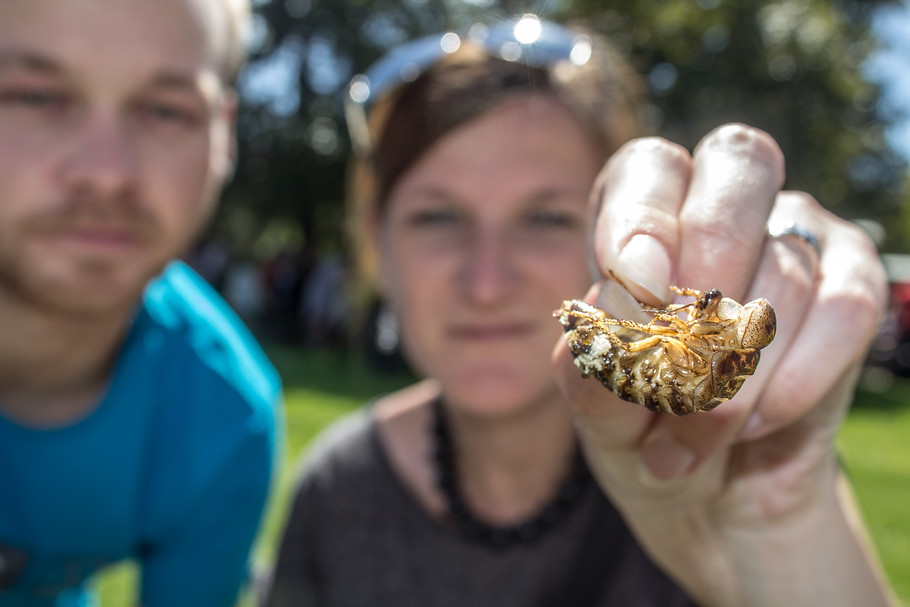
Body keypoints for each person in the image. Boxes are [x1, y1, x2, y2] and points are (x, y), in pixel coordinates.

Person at [267, 15, 897, 607]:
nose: (487, 281)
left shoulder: (709, 469)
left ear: (614, 233)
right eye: (439, 217)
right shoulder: (334, 492)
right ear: (378, 241)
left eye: (544, 218)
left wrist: (787, 527)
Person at [0, 1, 282, 606]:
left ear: (223, 137)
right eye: (35, 96)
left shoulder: (226, 419)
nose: (107, 173)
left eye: (165, 111)